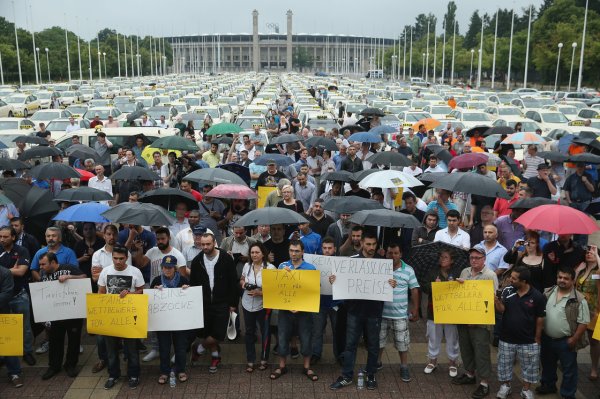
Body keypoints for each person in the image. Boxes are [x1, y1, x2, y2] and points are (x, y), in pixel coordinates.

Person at [329, 232, 390, 390]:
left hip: (374, 311)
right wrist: (335, 281)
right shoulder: (352, 261)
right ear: (362, 243)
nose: (371, 248)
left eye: (373, 245)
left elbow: (387, 286)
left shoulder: (382, 263)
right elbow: (341, 282)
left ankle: (371, 375)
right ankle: (347, 375)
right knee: (350, 345)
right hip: (355, 311)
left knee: (373, 345)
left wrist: (391, 283)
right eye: (368, 244)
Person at [537, 266, 590, 398]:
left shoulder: (579, 299)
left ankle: (567, 394)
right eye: (560, 277)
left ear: (573, 280)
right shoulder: (548, 292)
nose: (562, 280)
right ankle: (549, 386)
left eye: (566, 278)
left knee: (569, 370)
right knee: (547, 365)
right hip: (547, 338)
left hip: (566, 341)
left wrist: (574, 339)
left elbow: (583, 322)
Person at [453, 247, 498, 399]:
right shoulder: (465, 272)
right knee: (465, 348)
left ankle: (484, 383)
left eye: (477, 258)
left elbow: (491, 301)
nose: (474, 260)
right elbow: (459, 295)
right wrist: (455, 285)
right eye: (471, 257)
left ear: (484, 259)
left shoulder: (490, 275)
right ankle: (470, 374)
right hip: (464, 319)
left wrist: (476, 318)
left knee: (481, 351)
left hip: (480, 323)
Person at [97, 245, 145, 390]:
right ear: (112, 257)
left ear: (127, 258)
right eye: (115, 258)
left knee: (131, 349)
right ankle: (113, 375)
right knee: (111, 350)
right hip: (111, 316)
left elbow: (142, 291)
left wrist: (130, 295)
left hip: (129, 317)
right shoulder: (105, 271)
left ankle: (134, 375)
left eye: (121, 259)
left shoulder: (135, 271)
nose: (118, 261)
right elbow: (101, 292)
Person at [494, 266, 546, 399]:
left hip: (528, 340)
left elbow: (540, 318)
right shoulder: (507, 291)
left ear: (524, 281)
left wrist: (538, 337)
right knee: (504, 364)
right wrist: (496, 301)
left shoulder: (538, 296)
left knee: (530, 366)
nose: (510, 280)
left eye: (513, 278)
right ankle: (505, 386)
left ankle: (526, 389)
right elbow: (502, 310)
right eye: (511, 276)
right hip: (506, 338)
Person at [189, 233, 238, 373]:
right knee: (207, 332)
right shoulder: (197, 261)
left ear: (214, 242)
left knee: (218, 333)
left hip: (222, 302)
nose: (205, 247)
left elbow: (233, 283)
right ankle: (215, 356)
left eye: (208, 244)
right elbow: (193, 283)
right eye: (202, 244)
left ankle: (199, 348)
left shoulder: (226, 259)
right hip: (204, 303)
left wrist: (233, 303)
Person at [270, 240, 318, 382]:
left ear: (302, 252)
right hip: (285, 311)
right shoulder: (282, 266)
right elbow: (278, 289)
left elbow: (313, 291)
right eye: (291, 250)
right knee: (283, 337)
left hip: (304, 312)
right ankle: (282, 366)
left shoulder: (310, 268)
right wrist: (283, 276)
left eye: (297, 251)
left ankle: (307, 367)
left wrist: (301, 306)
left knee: (306, 337)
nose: (294, 254)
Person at [38, 252, 86, 380]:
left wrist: (69, 277)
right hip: (55, 313)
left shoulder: (68, 267)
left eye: (44, 264)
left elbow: (84, 277)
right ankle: (54, 366)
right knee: (54, 340)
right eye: (40, 265)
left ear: (53, 262)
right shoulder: (43, 273)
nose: (41, 267)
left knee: (74, 340)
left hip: (73, 312)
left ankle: (70, 365)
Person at [377, 244, 419, 383]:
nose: (393, 256)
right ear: (385, 253)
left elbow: (414, 290)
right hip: (381, 313)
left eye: (396, 253)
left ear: (400, 254)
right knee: (379, 341)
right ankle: (377, 362)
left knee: (403, 343)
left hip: (400, 314)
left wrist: (415, 308)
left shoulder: (408, 270)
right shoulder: (380, 268)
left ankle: (404, 366)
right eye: (390, 253)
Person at [150, 256, 190, 384]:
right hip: (163, 322)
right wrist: (154, 292)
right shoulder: (156, 281)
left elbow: (190, 300)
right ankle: (164, 371)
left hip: (179, 321)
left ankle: (181, 370)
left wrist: (187, 291)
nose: (167, 270)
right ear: (161, 268)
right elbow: (150, 301)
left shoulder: (183, 279)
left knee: (180, 347)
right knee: (164, 347)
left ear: (175, 268)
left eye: (170, 267)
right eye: (165, 267)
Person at [421, 249, 460, 377]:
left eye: (445, 257)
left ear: (452, 260)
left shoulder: (457, 272)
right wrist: (434, 285)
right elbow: (424, 287)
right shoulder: (433, 272)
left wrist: (456, 284)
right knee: (433, 336)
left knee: (452, 337)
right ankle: (432, 360)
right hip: (434, 310)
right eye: (441, 257)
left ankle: (453, 362)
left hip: (452, 311)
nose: (442, 259)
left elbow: (463, 289)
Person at [0, 225, 35, 367]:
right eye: (0, 236)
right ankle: (5, 354)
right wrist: (11, 270)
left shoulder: (22, 251)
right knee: (4, 328)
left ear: (13, 237)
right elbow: (15, 270)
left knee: (25, 327)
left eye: (5, 236)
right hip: (2, 297)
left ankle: (27, 352)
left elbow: (21, 272)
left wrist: (5, 271)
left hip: (19, 295)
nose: (2, 239)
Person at [239, 242, 275, 372]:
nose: (254, 255)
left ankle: (264, 359)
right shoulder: (247, 266)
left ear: (263, 254)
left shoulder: (270, 268)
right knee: (249, 332)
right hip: (247, 303)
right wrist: (243, 284)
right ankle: (250, 359)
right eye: (252, 252)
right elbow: (242, 279)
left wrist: (260, 292)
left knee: (265, 332)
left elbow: (275, 289)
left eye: (257, 252)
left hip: (263, 305)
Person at [311, 237, 342, 364]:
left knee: (337, 331)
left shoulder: (341, 263)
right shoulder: (314, 263)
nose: (327, 250)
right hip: (319, 302)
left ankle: (339, 355)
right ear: (321, 249)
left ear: (335, 249)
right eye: (325, 248)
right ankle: (315, 354)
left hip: (336, 303)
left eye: (330, 248)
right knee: (317, 330)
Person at [574, 245, 600, 380]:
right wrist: (577, 272)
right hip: (579, 308)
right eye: (587, 252)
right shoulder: (582, 268)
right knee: (575, 336)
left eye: (592, 252)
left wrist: (598, 258)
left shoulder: (598, 270)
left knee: (594, 341)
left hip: (593, 309)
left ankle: (594, 367)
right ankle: (571, 363)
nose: (588, 253)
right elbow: (571, 285)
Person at [0, 266, 23, 388]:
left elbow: (7, 294)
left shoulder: (5, 273)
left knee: (8, 345)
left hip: (2, 314)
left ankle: (14, 373)